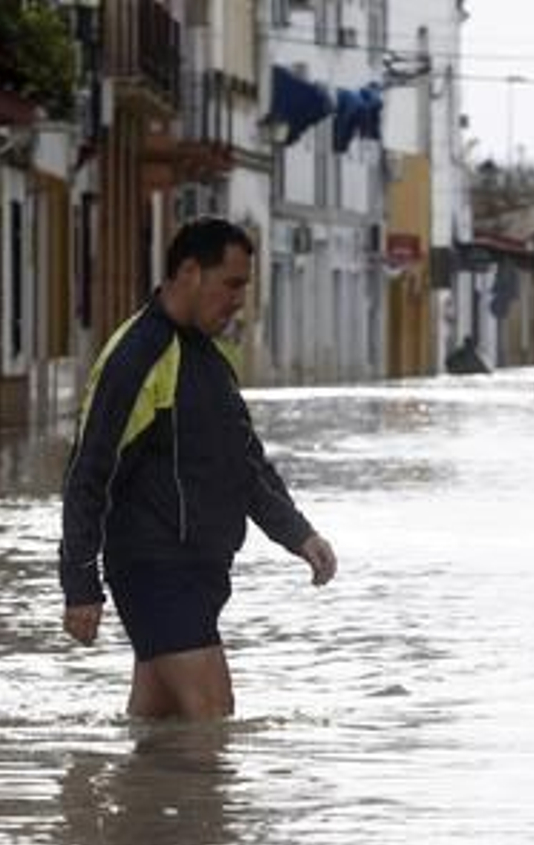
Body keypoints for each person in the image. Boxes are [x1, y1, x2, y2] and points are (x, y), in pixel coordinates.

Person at [60, 217, 337, 721]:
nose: (238, 301)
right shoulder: (136, 356)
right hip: (156, 570)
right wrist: (80, 584)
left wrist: (299, 534)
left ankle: (120, 799)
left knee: (158, 730)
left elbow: (245, 465)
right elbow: (88, 473)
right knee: (212, 716)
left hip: (201, 574)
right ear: (189, 272)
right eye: (231, 284)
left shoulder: (208, 360)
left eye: (245, 288)